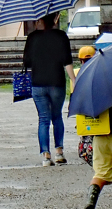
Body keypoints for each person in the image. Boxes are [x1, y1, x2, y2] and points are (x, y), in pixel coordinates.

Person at [23, 12, 76, 166]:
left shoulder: (32, 37)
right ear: (55, 19)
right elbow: (67, 61)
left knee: (43, 119)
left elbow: (27, 62)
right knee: (57, 116)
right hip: (57, 82)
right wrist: (73, 79)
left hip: (38, 83)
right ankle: (59, 152)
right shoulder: (61, 36)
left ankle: (46, 156)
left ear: (39, 19)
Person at [75, 45, 97, 166]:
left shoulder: (78, 73)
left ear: (80, 60)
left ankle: (87, 151)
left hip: (84, 109)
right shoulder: (101, 71)